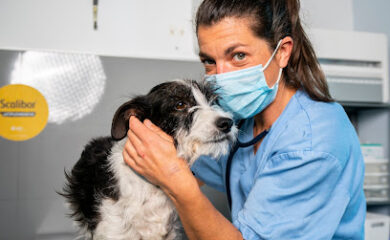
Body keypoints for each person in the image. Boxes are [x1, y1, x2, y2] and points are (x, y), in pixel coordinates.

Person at [122, 0, 366, 239]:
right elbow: (189, 164)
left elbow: (179, 176)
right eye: (209, 61)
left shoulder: (312, 142)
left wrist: (176, 178)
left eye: (238, 55)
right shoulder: (243, 119)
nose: (222, 76)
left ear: (282, 52)